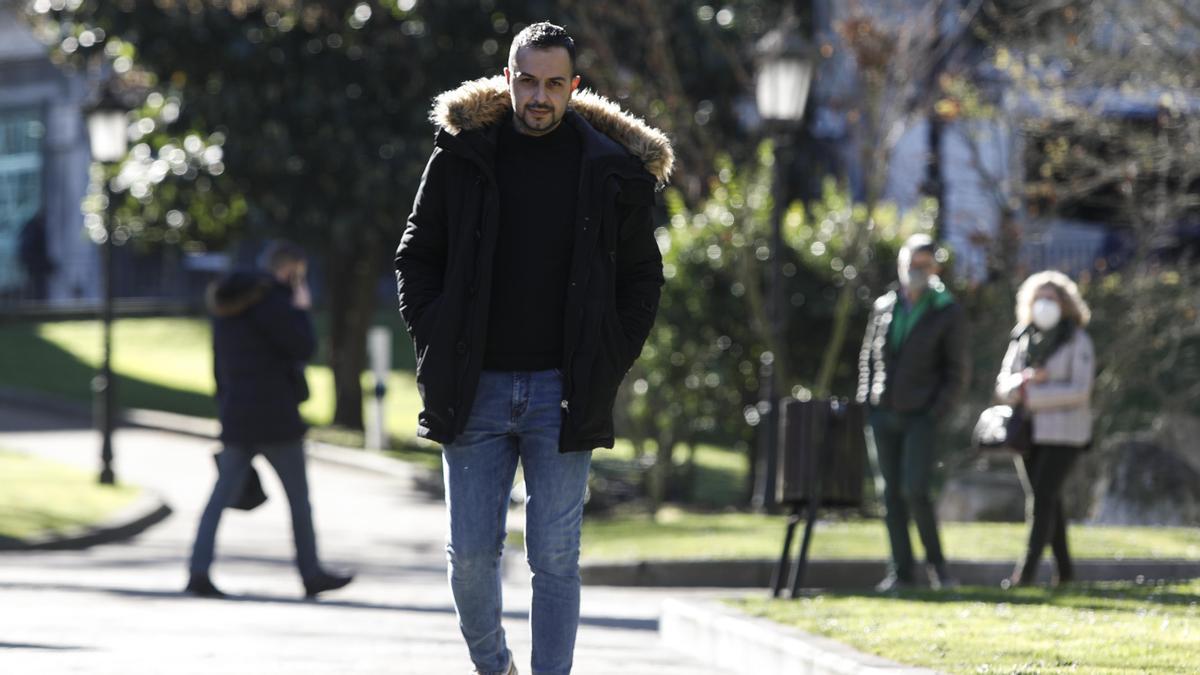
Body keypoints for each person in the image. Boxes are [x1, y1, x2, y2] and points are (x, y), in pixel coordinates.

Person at [394, 22, 671, 675]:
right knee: (469, 555)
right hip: (475, 385)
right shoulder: (463, 155)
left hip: (564, 389)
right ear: (509, 76)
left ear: (574, 86)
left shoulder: (609, 168)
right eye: (528, 81)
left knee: (554, 557)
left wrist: (610, 354)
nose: (539, 96)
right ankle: (495, 665)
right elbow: (416, 257)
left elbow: (643, 278)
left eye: (554, 84)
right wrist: (437, 333)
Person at [187, 240, 353, 600]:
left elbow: (218, 366)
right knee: (299, 501)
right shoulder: (277, 302)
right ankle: (311, 573)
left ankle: (198, 571)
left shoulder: (225, 305)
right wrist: (302, 309)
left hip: (238, 414)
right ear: (289, 270)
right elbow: (304, 347)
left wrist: (225, 407)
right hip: (277, 417)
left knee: (218, 498)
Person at [858, 234, 968, 591]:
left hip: (921, 414)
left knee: (915, 490)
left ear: (934, 268)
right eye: (911, 263)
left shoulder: (946, 310)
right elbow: (868, 359)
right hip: (883, 412)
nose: (916, 271)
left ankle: (938, 568)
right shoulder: (885, 306)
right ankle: (901, 573)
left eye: (924, 264)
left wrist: (937, 410)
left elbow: (957, 371)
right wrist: (867, 402)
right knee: (889, 495)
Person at [994, 271, 1095, 587]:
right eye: (1039, 298)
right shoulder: (1023, 337)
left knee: (1041, 500)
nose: (1045, 304)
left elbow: (1080, 390)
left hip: (1064, 434)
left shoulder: (1078, 340)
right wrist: (1022, 383)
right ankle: (1065, 574)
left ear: (1065, 303)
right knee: (1049, 500)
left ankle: (1025, 574)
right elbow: (1003, 383)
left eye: (1051, 298)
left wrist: (1034, 394)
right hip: (1028, 433)